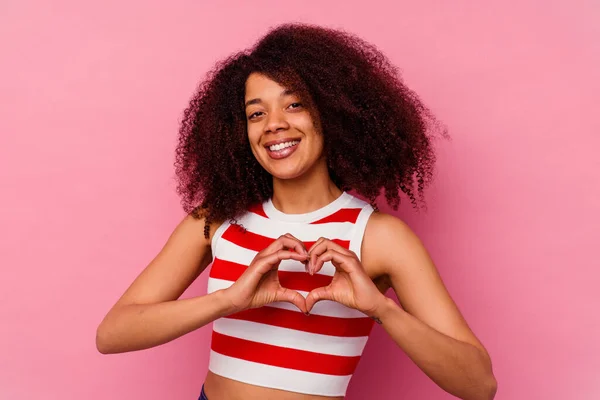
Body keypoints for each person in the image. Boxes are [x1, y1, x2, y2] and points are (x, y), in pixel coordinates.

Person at [96, 23, 497, 400]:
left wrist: (380, 309)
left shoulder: (378, 237)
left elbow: (479, 384)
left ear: (330, 112)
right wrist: (228, 300)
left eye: (294, 105)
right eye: (257, 113)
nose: (273, 124)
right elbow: (113, 334)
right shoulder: (216, 220)